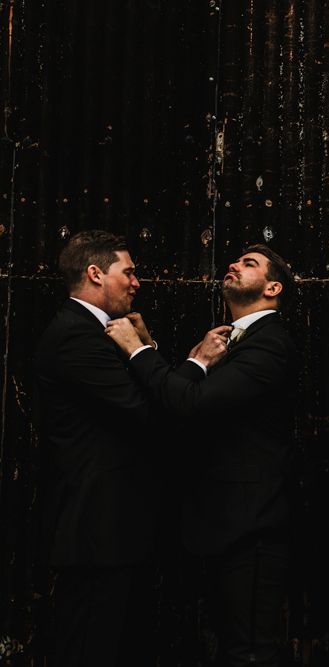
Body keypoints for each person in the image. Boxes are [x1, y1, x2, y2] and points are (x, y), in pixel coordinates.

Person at [106, 244, 297, 667]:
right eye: (237, 260)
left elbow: (190, 404)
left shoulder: (269, 345)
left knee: (249, 653)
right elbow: (191, 407)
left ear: (272, 287)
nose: (233, 264)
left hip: (251, 528)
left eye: (249, 264)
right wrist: (186, 360)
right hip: (221, 524)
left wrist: (138, 350)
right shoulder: (235, 342)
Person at [34, 230, 157, 666]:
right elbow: (145, 410)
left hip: (111, 532)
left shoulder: (92, 331)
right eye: (129, 271)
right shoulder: (77, 335)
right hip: (95, 532)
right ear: (95, 273)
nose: (137, 282)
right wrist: (163, 355)